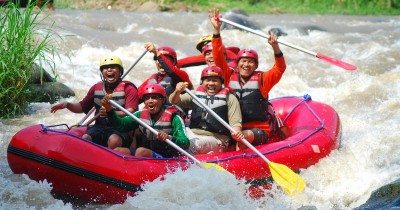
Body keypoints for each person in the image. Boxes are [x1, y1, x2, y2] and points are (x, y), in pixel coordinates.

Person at [209, 8, 287, 150]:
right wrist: (216, 31)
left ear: (256, 65)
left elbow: (280, 68)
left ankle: (240, 168)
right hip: (232, 128)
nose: (246, 64)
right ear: (237, 64)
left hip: (258, 130)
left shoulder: (263, 79)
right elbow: (218, 56)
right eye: (243, 61)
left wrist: (275, 47)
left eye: (250, 62)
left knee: (242, 137)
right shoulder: (228, 76)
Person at [51, 55, 139, 149]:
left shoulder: (129, 89)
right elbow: (81, 107)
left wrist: (110, 113)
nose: (109, 70)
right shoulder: (96, 88)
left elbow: (131, 112)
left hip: (120, 129)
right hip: (100, 127)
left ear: (120, 71)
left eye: (113, 67)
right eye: (105, 68)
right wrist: (67, 105)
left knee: (114, 140)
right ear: (102, 72)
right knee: (85, 138)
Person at [169, 66, 244, 154]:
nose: (211, 83)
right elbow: (174, 101)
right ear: (202, 82)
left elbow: (235, 123)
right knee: (176, 141)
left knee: (190, 145)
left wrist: (237, 132)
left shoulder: (230, 98)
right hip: (192, 133)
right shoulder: (195, 94)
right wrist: (177, 92)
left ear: (221, 82)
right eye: (207, 80)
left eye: (215, 80)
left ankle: (182, 164)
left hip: (217, 139)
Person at [102, 84, 190, 158]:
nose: (150, 101)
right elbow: (121, 125)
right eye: (147, 98)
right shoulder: (140, 115)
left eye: (154, 97)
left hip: (166, 157)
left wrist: (169, 138)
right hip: (146, 155)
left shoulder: (174, 118)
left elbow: (185, 142)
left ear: (162, 100)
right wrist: (110, 111)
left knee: (141, 151)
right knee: (118, 151)